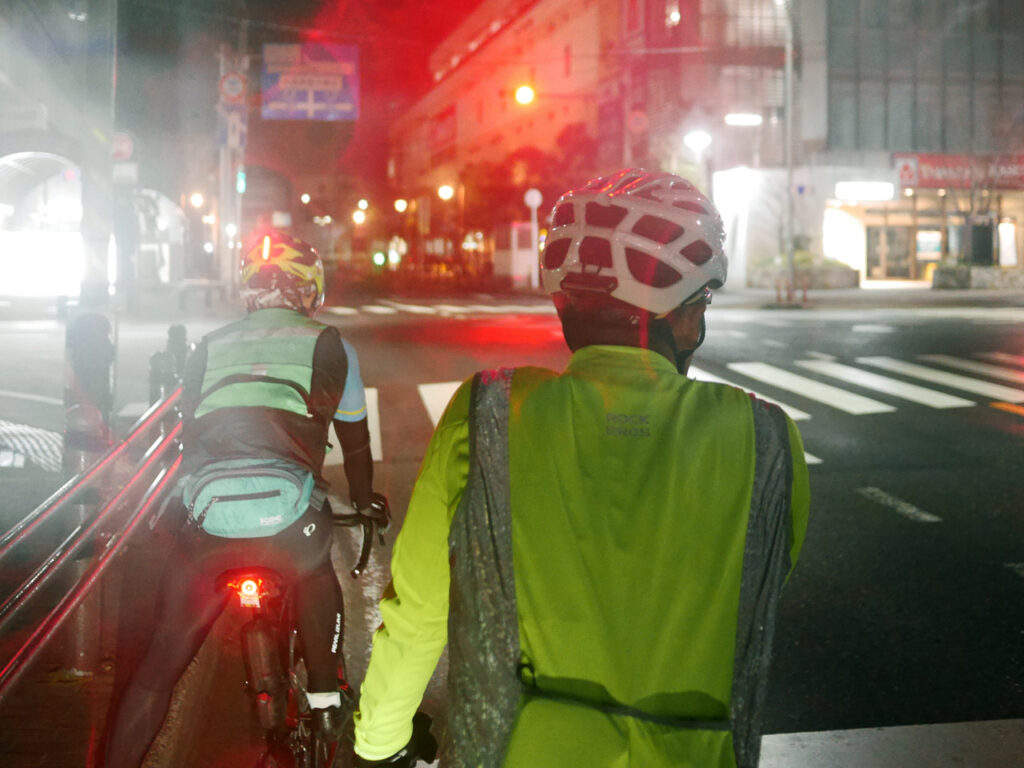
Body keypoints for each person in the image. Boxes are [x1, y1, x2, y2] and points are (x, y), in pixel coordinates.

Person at [351, 169, 810, 768]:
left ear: (567, 305)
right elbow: (761, 580)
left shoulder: (487, 413)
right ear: (680, 317)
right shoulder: (766, 438)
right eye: (700, 303)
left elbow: (419, 614)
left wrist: (375, 744)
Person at [102, 230, 388, 767]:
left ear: (249, 291)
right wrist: (367, 501)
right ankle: (326, 692)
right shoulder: (331, 345)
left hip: (207, 523)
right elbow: (356, 445)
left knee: (158, 668)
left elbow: (190, 435)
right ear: (311, 289)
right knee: (313, 567)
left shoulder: (209, 346)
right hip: (289, 524)